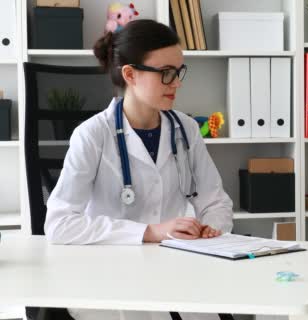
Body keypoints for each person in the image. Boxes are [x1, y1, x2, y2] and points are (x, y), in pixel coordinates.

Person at [44, 20, 233, 320]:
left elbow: (215, 201)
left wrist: (212, 229)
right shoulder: (92, 135)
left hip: (176, 266)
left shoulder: (185, 129)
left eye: (179, 71)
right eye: (166, 73)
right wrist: (150, 232)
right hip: (110, 274)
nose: (177, 83)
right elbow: (60, 224)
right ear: (130, 74)